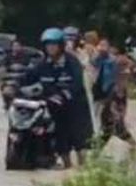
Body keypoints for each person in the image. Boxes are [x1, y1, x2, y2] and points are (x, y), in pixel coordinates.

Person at [28, 27, 95, 168]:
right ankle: (68, 170)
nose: (51, 48)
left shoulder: (72, 63)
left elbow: (77, 84)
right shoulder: (41, 65)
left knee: (81, 142)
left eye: (54, 44)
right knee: (61, 142)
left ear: (61, 46)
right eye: (48, 45)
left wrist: (63, 95)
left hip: (76, 109)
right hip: (56, 111)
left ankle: (83, 171)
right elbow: (29, 80)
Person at [92, 38, 136, 160]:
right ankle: (132, 150)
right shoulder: (103, 59)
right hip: (106, 94)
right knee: (110, 126)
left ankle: (95, 154)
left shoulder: (117, 61)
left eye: (105, 45)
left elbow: (130, 70)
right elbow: (93, 65)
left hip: (114, 94)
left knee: (112, 127)